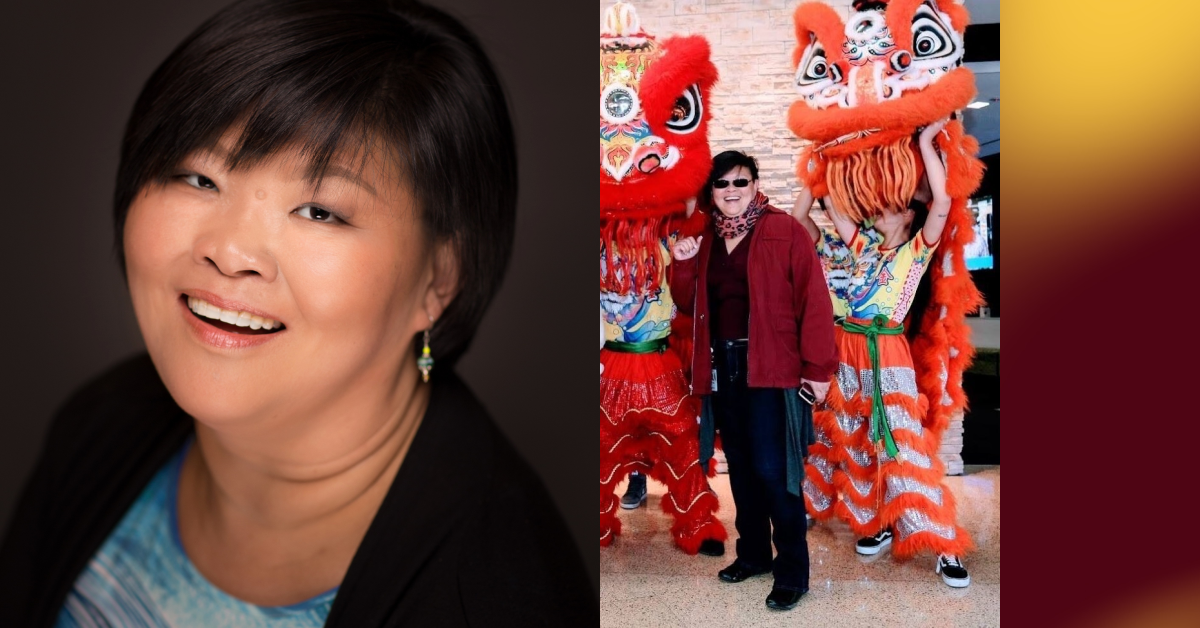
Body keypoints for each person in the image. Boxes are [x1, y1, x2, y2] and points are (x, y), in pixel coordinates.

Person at [0, 1, 594, 625]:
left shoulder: (488, 599)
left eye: (320, 211)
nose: (229, 252)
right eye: (198, 178)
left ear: (439, 279)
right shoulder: (103, 423)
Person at [793, 120, 975, 588]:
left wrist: (923, 142)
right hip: (845, 350)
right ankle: (875, 521)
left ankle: (942, 544)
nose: (880, 210)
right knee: (852, 435)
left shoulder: (917, 249)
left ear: (909, 216)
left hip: (885, 350)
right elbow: (816, 208)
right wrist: (819, 160)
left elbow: (942, 200)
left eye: (893, 205)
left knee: (899, 442)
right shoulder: (858, 244)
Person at [670, 151, 837, 612]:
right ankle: (754, 556)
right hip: (723, 368)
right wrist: (681, 262)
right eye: (721, 184)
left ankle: (792, 573)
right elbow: (688, 304)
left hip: (772, 367)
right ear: (711, 192)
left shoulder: (784, 230)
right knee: (740, 468)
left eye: (739, 182)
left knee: (774, 470)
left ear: (754, 183)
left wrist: (818, 370)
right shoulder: (704, 238)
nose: (730, 191)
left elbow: (815, 303)